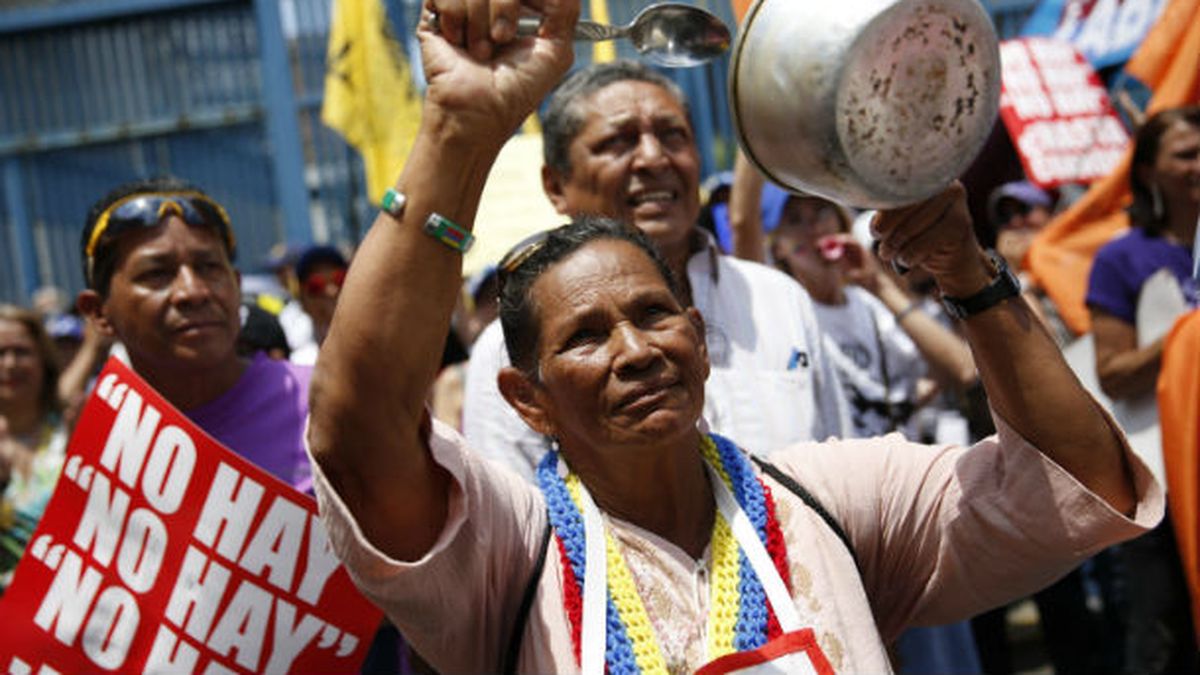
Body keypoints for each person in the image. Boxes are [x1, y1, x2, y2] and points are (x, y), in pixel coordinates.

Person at [304, 3, 1161, 671]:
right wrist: (457, 129)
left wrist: (972, 279)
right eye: (587, 337)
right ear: (526, 398)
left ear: (702, 341)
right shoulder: (508, 558)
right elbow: (360, 430)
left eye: (653, 315)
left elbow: (1077, 483)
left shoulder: (832, 504)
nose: (636, 352)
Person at [463, 59, 850, 480]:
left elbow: (838, 470)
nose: (653, 158)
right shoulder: (510, 347)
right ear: (556, 186)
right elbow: (520, 527)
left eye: (673, 136)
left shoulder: (777, 297)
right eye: (618, 141)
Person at [75, 177, 313, 492]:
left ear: (237, 285)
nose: (193, 291)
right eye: (157, 274)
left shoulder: (326, 404)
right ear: (98, 313)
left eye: (209, 267)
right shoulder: (96, 454)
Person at [1085, 105, 1200, 675]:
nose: (1199, 165)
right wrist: (1186, 336)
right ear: (1150, 172)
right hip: (1161, 471)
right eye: (1186, 155)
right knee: (1161, 628)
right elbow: (1113, 371)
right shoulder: (1120, 258)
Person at [0, 304, 70, 593]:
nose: (10, 364)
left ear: (44, 360)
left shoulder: (76, 428)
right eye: (0, 354)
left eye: (22, 351)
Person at [290, 244, 350, 366]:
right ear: (302, 299)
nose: (331, 291)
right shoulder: (299, 362)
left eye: (339, 280)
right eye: (316, 285)